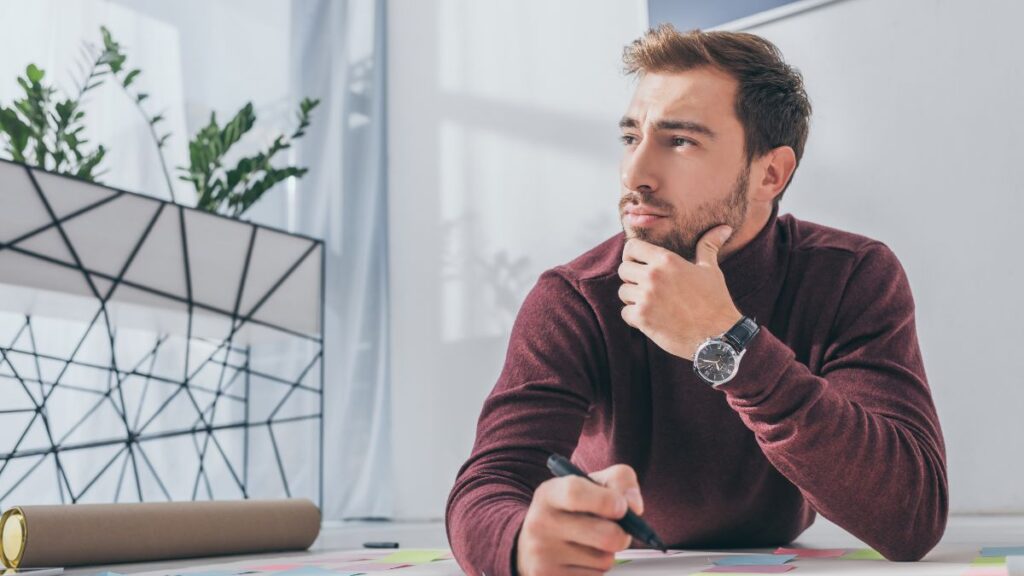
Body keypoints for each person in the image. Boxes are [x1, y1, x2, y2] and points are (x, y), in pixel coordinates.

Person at [446, 24, 947, 576]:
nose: (635, 174)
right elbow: (490, 482)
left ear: (770, 173)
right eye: (631, 136)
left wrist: (729, 341)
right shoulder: (575, 297)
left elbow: (912, 517)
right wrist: (519, 543)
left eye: (680, 140)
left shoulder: (851, 276)